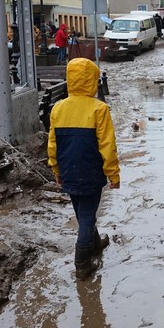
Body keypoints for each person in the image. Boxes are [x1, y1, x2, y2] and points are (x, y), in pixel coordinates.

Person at [47, 58, 122, 278]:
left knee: (82, 212)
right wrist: (113, 174)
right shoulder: (99, 109)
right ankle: (81, 263)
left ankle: (95, 242)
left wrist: (56, 170)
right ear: (92, 80)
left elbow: (52, 144)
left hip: (68, 170)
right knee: (87, 216)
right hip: (90, 171)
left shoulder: (58, 109)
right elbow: (107, 145)